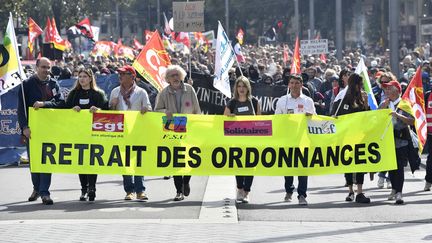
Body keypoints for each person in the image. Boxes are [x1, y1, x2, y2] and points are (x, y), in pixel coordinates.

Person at [18, 57, 65, 205]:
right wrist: (24, 127)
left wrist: (44, 104)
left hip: (50, 130)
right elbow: (21, 109)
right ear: (37, 67)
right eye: (43, 67)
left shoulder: (54, 84)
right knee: (35, 162)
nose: (46, 70)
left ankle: (45, 192)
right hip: (32, 131)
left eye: (48, 67)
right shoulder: (26, 84)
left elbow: (61, 103)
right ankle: (36, 188)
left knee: (46, 161)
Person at [155, 65, 201, 201]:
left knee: (189, 159)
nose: (175, 78)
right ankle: (178, 190)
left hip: (189, 130)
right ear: (168, 79)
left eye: (177, 75)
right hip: (172, 131)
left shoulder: (190, 89)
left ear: (181, 76)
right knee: (176, 161)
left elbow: (197, 109)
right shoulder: (163, 93)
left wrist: (198, 126)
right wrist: (165, 112)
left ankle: (186, 181)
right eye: (172, 76)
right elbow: (157, 111)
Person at [109, 65, 152, 201]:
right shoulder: (115, 92)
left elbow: (149, 109)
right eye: (120, 74)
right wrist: (113, 105)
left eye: (123, 74)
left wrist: (146, 109)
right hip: (122, 132)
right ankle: (129, 190)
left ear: (132, 76)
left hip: (138, 131)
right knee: (125, 162)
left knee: (138, 161)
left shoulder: (141, 92)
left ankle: (140, 190)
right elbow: (109, 113)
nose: (120, 76)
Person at [65, 68, 108, 201]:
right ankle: (84, 188)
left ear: (90, 78)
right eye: (80, 76)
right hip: (78, 133)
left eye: (84, 76)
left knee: (92, 161)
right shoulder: (73, 94)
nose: (82, 79)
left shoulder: (98, 94)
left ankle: (92, 188)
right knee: (81, 162)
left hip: (94, 134)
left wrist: (99, 110)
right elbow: (64, 111)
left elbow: (107, 111)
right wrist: (72, 110)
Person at [274, 74, 316, 205]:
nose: (294, 86)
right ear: (288, 84)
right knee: (288, 166)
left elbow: (315, 119)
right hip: (287, 138)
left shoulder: (308, 101)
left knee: (303, 167)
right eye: (291, 83)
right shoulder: (282, 100)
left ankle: (302, 194)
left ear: (301, 85)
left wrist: (310, 116)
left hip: (303, 138)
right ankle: (289, 190)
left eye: (297, 83)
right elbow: (277, 119)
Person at [331, 73, 371, 204]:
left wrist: (365, 103)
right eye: (359, 84)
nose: (360, 87)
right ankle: (350, 191)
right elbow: (335, 114)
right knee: (347, 163)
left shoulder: (362, 96)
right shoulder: (342, 96)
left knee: (360, 163)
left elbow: (366, 116)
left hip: (360, 136)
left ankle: (360, 191)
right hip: (346, 136)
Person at [224, 76, 262, 203]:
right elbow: (223, 119)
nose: (241, 89)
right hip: (237, 139)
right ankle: (239, 188)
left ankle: (247, 192)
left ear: (248, 88)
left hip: (251, 139)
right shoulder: (232, 102)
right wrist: (230, 117)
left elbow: (259, 120)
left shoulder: (254, 102)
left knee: (250, 165)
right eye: (239, 86)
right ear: (236, 88)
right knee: (239, 164)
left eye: (244, 86)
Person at [380, 81, 415, 204]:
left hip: (401, 140)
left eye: (389, 89)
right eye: (386, 89)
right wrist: (382, 108)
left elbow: (411, 121)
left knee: (399, 167)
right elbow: (375, 119)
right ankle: (394, 189)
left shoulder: (404, 104)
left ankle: (399, 192)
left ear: (397, 90)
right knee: (391, 167)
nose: (386, 91)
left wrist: (397, 115)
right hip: (387, 141)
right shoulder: (385, 103)